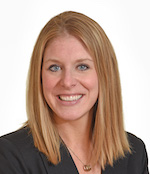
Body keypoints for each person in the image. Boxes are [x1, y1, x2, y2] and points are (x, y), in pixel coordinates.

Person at [0, 11, 149, 174]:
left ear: (105, 75)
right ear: (39, 76)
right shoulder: (10, 156)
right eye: (55, 68)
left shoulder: (133, 154)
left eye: (82, 66)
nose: (67, 82)